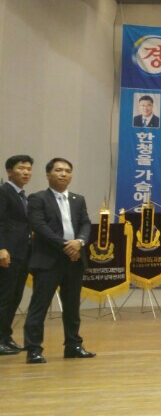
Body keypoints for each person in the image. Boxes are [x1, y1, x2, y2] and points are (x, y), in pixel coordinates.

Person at [22, 158, 95, 364]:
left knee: (72, 306)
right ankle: (33, 349)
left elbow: (86, 223)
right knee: (39, 306)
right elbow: (39, 226)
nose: (63, 174)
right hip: (48, 261)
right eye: (59, 170)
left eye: (67, 171)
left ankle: (73, 345)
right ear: (48, 174)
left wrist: (79, 242)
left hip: (74, 260)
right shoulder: (38, 198)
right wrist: (66, 245)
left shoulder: (78, 199)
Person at [0, 155, 33, 355]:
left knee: (15, 297)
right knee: (4, 297)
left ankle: (6, 336)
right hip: (8, 253)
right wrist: (1, 247)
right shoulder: (3, 192)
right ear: (9, 171)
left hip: (23, 253)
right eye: (21, 168)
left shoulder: (22, 195)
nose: (26, 172)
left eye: (29, 169)